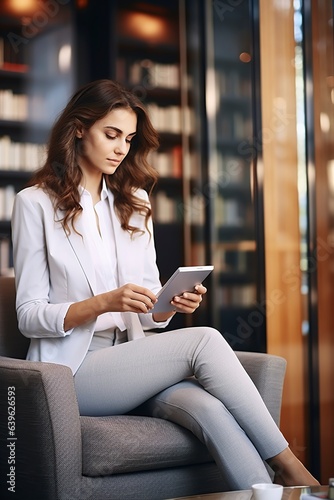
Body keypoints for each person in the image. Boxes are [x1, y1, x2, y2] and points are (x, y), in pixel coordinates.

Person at [11, 79, 319, 491]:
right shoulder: (34, 203)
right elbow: (29, 316)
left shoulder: (135, 202)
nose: (121, 148)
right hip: (72, 371)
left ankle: (270, 493)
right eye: (112, 134)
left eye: (129, 138)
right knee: (204, 341)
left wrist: (170, 304)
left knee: (208, 409)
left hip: (133, 360)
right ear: (79, 128)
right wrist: (102, 303)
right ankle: (292, 466)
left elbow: (152, 316)